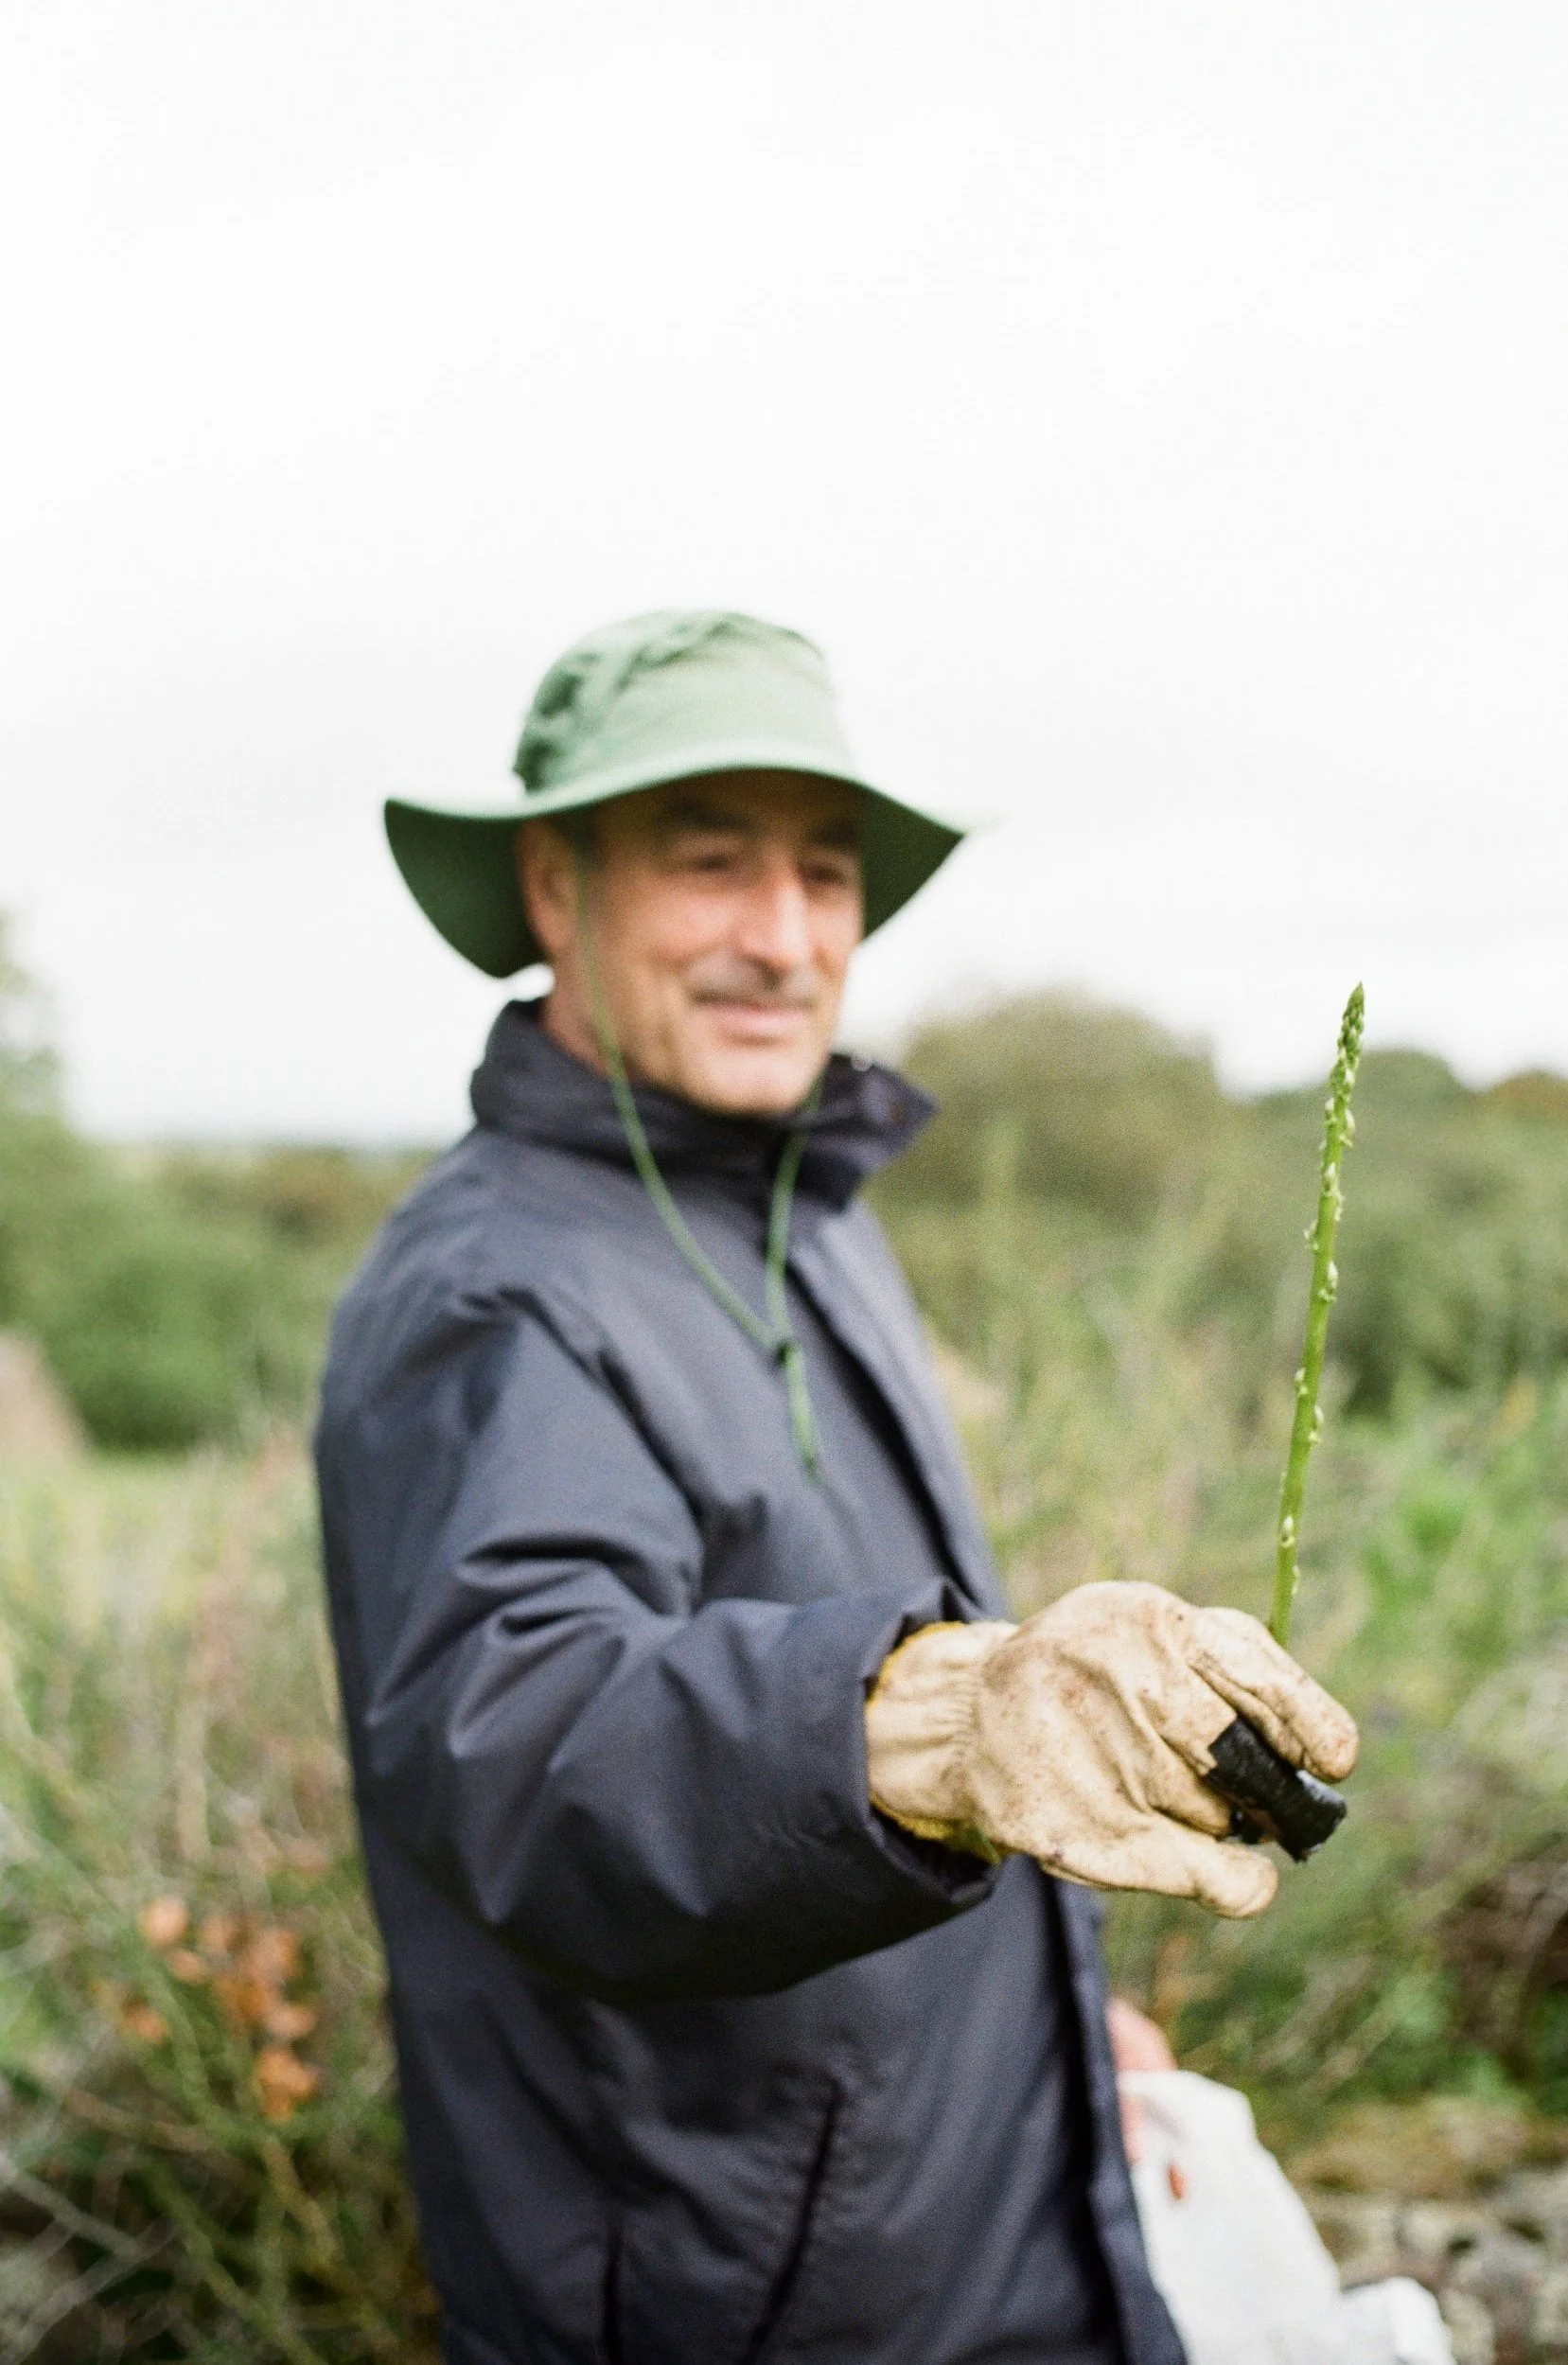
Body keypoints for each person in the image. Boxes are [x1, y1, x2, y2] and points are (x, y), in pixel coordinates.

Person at [315, 610, 1357, 2365]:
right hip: (748, 2303)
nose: (785, 936)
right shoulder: (494, 1296)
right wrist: (960, 1723)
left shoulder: (808, 1206)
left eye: (823, 871)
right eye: (710, 863)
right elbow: (535, 1737)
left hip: (982, 2213)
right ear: (559, 893)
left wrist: (1057, 2024)